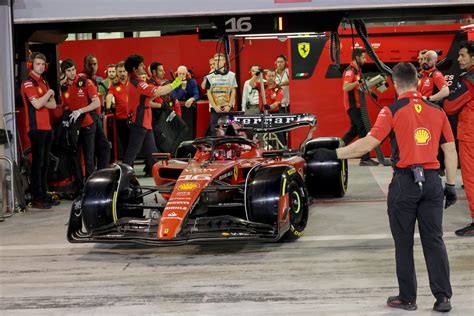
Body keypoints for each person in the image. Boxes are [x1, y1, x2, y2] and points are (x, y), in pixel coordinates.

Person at [310, 62, 457, 312]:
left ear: (395, 83)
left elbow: (367, 144)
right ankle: (443, 298)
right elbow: (449, 149)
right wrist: (451, 184)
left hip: (405, 183)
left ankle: (407, 298)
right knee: (434, 240)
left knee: (404, 242)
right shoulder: (437, 110)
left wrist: (332, 154)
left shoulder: (392, 111)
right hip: (433, 181)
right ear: (416, 80)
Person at [123, 54, 182, 170]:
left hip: (145, 121)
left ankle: (157, 175)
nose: (144, 67)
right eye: (141, 66)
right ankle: (123, 177)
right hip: (139, 122)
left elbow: (147, 99)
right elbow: (158, 91)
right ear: (135, 69)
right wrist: (175, 84)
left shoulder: (136, 82)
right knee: (132, 153)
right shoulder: (138, 84)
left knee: (152, 152)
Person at [444, 40, 474, 236]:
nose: (459, 59)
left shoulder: (469, 80)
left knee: (471, 179)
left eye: (462, 55)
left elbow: (450, 106)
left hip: (470, 136)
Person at [20, 52, 57, 209]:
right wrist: (48, 94)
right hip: (36, 129)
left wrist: (45, 98)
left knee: (45, 164)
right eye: (38, 64)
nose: (41, 67)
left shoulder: (43, 81)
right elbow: (37, 105)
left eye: (43, 64)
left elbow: (53, 105)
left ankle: (44, 195)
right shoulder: (28, 83)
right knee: (38, 164)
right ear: (31, 65)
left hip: (47, 127)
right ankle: (37, 198)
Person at [61, 59, 101, 180]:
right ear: (64, 72)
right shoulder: (63, 87)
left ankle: (91, 186)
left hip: (88, 124)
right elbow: (65, 106)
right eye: (69, 71)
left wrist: (80, 111)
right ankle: (79, 186)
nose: (72, 73)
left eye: (73, 69)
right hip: (73, 127)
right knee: (75, 157)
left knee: (89, 159)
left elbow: (97, 103)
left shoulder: (86, 83)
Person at [342, 48, 379, 166]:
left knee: (353, 131)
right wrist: (358, 82)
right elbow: (346, 87)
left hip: (356, 105)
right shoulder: (350, 71)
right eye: (363, 57)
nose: (365, 59)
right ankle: (365, 158)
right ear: (357, 57)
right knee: (363, 128)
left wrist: (372, 93)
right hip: (353, 106)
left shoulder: (357, 72)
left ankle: (335, 150)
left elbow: (360, 88)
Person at [81, 55, 111, 169]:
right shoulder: (83, 79)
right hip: (88, 118)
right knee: (95, 151)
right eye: (90, 64)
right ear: (84, 66)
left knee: (102, 148)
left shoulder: (96, 81)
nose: (93, 67)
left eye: (94, 64)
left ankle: (100, 174)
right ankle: (95, 177)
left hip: (96, 117)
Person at [205, 53, 238, 136]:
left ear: (224, 61)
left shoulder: (231, 75)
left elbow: (233, 91)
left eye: (219, 60)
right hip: (215, 109)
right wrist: (215, 107)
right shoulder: (209, 76)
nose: (217, 62)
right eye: (215, 60)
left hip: (228, 108)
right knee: (214, 131)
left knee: (231, 129)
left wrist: (229, 106)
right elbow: (209, 93)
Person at [105, 61, 129, 157]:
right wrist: (107, 108)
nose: (122, 73)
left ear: (127, 72)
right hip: (121, 119)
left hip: (134, 118)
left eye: (124, 71)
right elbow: (109, 96)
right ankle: (128, 165)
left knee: (133, 144)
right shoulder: (114, 85)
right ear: (117, 73)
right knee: (124, 142)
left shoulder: (133, 83)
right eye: (120, 72)